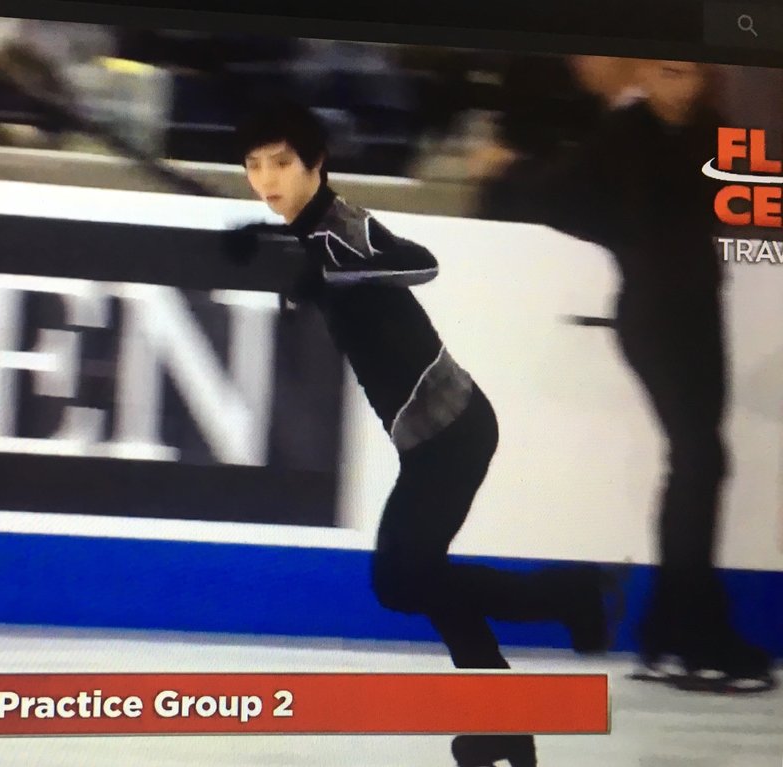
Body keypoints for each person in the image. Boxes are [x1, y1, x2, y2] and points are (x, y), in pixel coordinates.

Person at [227, 101, 624, 767]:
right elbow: (317, 272)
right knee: (421, 579)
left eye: (282, 163)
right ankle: (514, 699)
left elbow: (420, 262)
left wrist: (327, 275)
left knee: (403, 580)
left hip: (453, 432)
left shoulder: (344, 228)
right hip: (435, 438)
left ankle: (565, 605)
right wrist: (264, 248)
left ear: (316, 163)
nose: (267, 179)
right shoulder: (312, 233)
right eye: (254, 165)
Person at [474, 60, 776, 693]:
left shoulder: (710, 130)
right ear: (646, 73)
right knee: (699, 460)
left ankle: (671, 634)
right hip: (653, 315)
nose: (682, 85)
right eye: (670, 72)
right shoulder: (623, 134)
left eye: (691, 75)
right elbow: (553, 195)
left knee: (702, 464)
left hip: (702, 310)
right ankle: (689, 635)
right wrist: (628, 240)